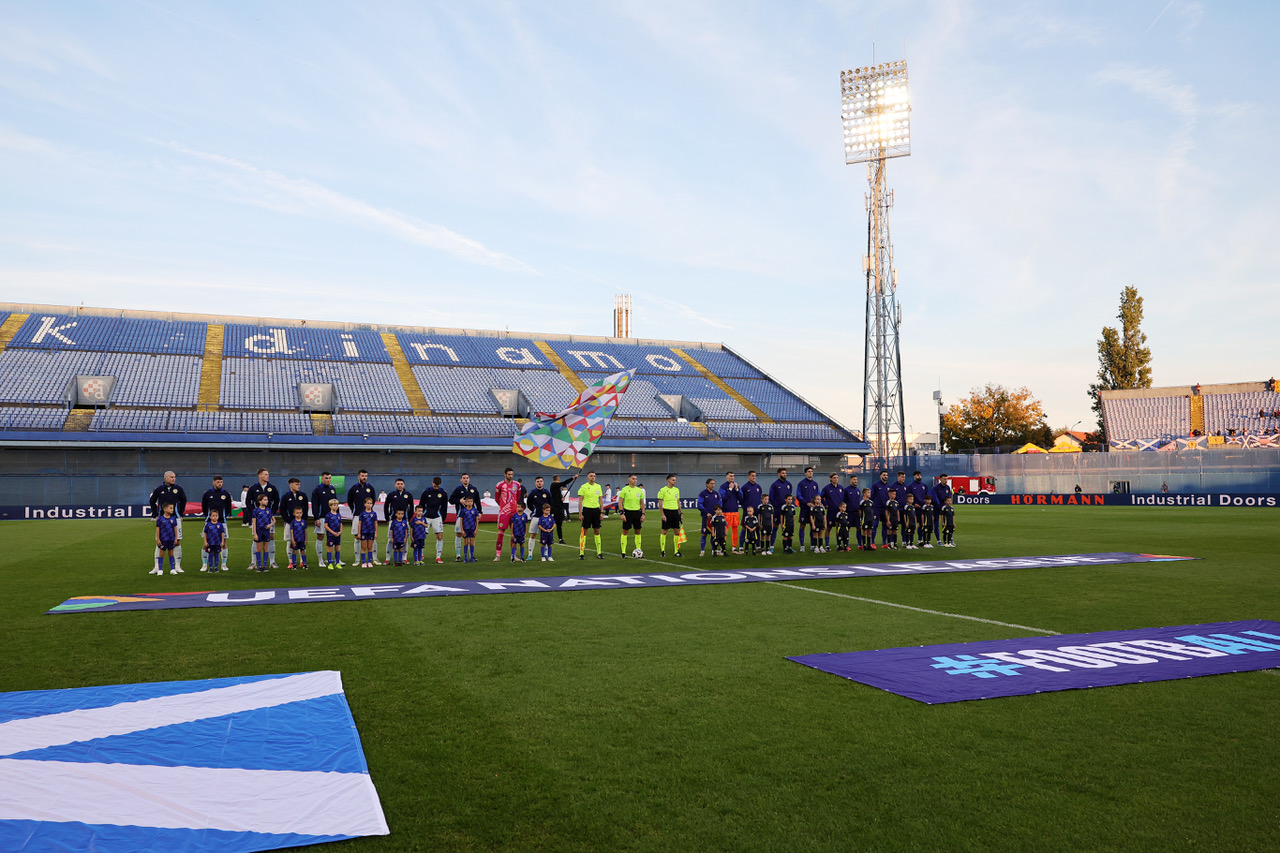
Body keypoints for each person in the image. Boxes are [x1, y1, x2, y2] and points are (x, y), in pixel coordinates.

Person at [149, 471, 187, 574]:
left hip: (176, 518)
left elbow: (184, 500)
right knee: (159, 543)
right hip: (163, 520)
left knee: (177, 541)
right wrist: (155, 514)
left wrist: (181, 514)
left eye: (174, 477)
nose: (173, 479)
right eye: (171, 477)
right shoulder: (159, 489)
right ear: (165, 478)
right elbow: (152, 501)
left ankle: (177, 566)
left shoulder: (178, 489)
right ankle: (156, 567)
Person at [245, 468, 280, 569]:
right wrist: (254, 513)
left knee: (271, 538)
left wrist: (271, 513)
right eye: (265, 474)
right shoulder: (253, 488)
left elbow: (276, 501)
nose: (267, 476)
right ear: (259, 475)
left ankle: (272, 561)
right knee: (256, 539)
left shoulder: (272, 488)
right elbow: (248, 502)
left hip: (268, 519)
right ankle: (253, 562)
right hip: (258, 520)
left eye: (268, 474)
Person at [200, 475, 233, 572]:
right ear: (213, 482)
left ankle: (223, 564)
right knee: (206, 543)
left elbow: (228, 507)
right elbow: (204, 506)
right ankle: (204, 564)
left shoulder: (225, 494)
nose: (220, 484)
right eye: (218, 482)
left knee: (224, 543)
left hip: (222, 522)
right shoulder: (208, 493)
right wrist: (208, 516)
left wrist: (224, 516)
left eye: (221, 482)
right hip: (209, 522)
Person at [492, 468, 524, 561]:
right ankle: (498, 555)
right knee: (500, 534)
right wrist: (503, 507)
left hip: (514, 513)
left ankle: (513, 555)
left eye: (512, 474)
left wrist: (514, 507)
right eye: (509, 474)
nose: (510, 476)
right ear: (505, 474)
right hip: (504, 513)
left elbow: (518, 497)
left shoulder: (517, 485)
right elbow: (496, 498)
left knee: (514, 534)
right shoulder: (499, 485)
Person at [347, 470, 377, 565]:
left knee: (372, 538)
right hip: (357, 516)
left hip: (369, 517)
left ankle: (374, 559)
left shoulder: (370, 488)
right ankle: (357, 560)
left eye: (366, 476)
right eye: (362, 475)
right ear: (358, 476)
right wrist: (355, 511)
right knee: (357, 537)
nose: (364, 477)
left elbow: (374, 500)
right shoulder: (353, 488)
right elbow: (349, 501)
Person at [449, 474, 481, 561]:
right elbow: (451, 500)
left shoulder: (473, 489)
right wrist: (459, 501)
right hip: (461, 515)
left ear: (469, 479)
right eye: (464, 478)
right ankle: (458, 555)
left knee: (472, 535)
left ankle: (471, 555)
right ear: (461, 480)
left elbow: (478, 501)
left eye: (467, 478)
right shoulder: (458, 489)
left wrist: (480, 512)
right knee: (459, 534)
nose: (466, 480)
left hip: (471, 517)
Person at [418, 476, 449, 564]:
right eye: (435, 486)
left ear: (440, 485)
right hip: (426, 517)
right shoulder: (426, 491)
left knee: (439, 536)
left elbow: (444, 507)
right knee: (422, 536)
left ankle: (438, 557)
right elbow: (421, 505)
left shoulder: (443, 493)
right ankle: (421, 554)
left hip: (437, 517)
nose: (436, 487)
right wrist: (420, 516)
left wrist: (443, 518)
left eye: (437, 486)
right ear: (432, 483)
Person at [311, 472, 340, 567]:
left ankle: (335, 560)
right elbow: (315, 505)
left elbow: (336, 504)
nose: (328, 480)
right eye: (326, 478)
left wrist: (337, 516)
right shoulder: (317, 490)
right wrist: (316, 518)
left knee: (334, 538)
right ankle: (320, 560)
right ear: (322, 479)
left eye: (330, 478)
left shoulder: (332, 489)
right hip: (322, 518)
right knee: (320, 537)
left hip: (333, 519)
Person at [384, 479, 415, 563]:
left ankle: (404, 558)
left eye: (401, 484)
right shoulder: (391, 495)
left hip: (404, 521)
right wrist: (387, 518)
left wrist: (409, 518)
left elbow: (411, 507)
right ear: (395, 485)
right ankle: (387, 558)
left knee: (405, 540)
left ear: (404, 485)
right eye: (398, 484)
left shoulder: (408, 495)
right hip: (393, 520)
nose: (399, 485)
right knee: (390, 539)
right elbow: (386, 506)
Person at [577, 471, 605, 560]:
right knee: (584, 531)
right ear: (587, 477)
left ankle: (599, 552)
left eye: (594, 476)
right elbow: (580, 501)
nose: (593, 477)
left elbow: (600, 500)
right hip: (587, 510)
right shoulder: (583, 487)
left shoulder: (598, 486)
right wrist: (580, 513)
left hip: (596, 510)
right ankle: (581, 553)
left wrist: (601, 512)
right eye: (591, 476)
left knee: (597, 531)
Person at [617, 474, 645, 557]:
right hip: (628, 513)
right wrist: (621, 513)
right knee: (625, 531)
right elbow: (620, 502)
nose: (635, 480)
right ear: (629, 480)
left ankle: (639, 551)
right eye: (633, 479)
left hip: (637, 513)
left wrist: (643, 514)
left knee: (638, 531)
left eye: (636, 479)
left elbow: (642, 503)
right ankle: (623, 552)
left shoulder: (639, 490)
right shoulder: (624, 490)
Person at [656, 474, 683, 558]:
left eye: (675, 480)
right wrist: (663, 514)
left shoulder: (676, 490)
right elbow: (660, 504)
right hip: (667, 511)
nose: (674, 481)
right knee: (664, 531)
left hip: (675, 512)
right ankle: (663, 551)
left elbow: (678, 501)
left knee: (677, 532)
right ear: (668, 480)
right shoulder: (663, 490)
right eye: (673, 480)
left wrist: (681, 513)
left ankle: (676, 551)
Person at [152, 502, 181, 575]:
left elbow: (175, 529)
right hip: (163, 539)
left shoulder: (173, 518)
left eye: (173, 508)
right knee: (161, 553)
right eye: (170, 508)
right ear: (165, 509)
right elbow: (158, 530)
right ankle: (160, 569)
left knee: (171, 553)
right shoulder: (160, 519)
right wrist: (158, 539)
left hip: (171, 539)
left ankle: (172, 569)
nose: (172, 510)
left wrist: (175, 538)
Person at [795, 467, 820, 551]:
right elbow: (798, 496)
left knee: (813, 526)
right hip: (805, 509)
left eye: (811, 471)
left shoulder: (815, 484)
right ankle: (802, 545)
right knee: (802, 525)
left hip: (813, 509)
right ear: (805, 473)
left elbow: (818, 495)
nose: (810, 473)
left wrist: (816, 503)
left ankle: (813, 545)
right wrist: (807, 503)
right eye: (809, 471)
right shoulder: (801, 484)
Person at [549, 474, 579, 544]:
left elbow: (557, 497)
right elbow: (564, 483)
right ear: (557, 479)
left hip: (560, 507)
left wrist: (561, 499)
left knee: (559, 524)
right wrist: (573, 478)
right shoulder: (553, 485)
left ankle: (560, 539)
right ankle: (550, 538)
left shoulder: (557, 488)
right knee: (552, 524)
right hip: (554, 508)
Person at [768, 468, 792, 552]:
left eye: (785, 473)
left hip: (787, 510)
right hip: (778, 509)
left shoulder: (789, 484)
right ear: (778, 474)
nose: (784, 474)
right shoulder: (774, 485)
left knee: (788, 527)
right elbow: (771, 496)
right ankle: (771, 546)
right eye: (783, 473)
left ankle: (788, 547)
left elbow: (790, 496)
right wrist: (776, 505)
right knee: (775, 527)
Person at [696, 478, 721, 557]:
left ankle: (714, 550)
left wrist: (717, 513)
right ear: (707, 484)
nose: (713, 485)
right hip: (706, 518)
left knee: (713, 535)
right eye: (711, 483)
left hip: (715, 518)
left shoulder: (716, 494)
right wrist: (706, 513)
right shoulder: (703, 494)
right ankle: (702, 551)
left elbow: (720, 504)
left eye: (714, 483)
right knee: (704, 534)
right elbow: (699, 504)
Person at [719, 471, 742, 554]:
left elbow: (741, 497)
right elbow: (724, 497)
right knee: (725, 531)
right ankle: (722, 547)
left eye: (733, 476)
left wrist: (736, 489)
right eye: (731, 476)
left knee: (735, 530)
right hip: (726, 511)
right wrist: (730, 489)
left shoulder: (736, 486)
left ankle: (734, 548)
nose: (732, 477)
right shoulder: (723, 486)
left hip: (735, 511)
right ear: (727, 477)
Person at [821, 474, 845, 551]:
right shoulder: (827, 488)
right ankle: (827, 545)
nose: (836, 479)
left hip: (839, 512)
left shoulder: (841, 488)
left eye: (837, 478)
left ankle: (838, 545)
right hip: (831, 511)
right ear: (830, 479)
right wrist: (825, 504)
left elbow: (843, 499)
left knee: (838, 528)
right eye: (834, 478)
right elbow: (820, 497)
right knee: (828, 528)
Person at [251, 494, 274, 572]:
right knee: (258, 548)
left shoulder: (268, 510)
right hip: (259, 530)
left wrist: (270, 525)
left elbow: (274, 520)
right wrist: (255, 534)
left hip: (266, 531)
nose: (266, 501)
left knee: (265, 548)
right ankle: (259, 566)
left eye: (267, 500)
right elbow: (254, 522)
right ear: (260, 501)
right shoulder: (256, 511)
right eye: (264, 500)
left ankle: (264, 565)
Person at [870, 470, 892, 547]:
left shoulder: (889, 486)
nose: (885, 476)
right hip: (876, 508)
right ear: (880, 476)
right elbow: (871, 496)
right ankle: (872, 542)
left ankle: (884, 543)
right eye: (884, 475)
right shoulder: (875, 485)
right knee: (875, 524)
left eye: (886, 475)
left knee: (885, 525)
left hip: (885, 508)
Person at [931, 474, 953, 542]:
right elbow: (935, 498)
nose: (945, 480)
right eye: (944, 479)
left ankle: (950, 539)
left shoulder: (948, 487)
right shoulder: (935, 488)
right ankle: (938, 540)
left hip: (945, 508)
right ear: (940, 479)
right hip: (936, 508)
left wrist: (946, 505)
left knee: (949, 524)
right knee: (936, 524)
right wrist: (940, 506)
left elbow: (948, 497)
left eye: (946, 479)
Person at [841, 476, 862, 548]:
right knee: (848, 528)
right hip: (849, 512)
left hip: (856, 513)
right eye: (854, 479)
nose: (856, 481)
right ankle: (847, 544)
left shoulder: (858, 490)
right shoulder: (846, 490)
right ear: (850, 481)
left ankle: (860, 544)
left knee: (859, 527)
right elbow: (843, 501)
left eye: (856, 479)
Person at [357, 497, 378, 568]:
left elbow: (375, 523)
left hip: (371, 532)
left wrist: (376, 533)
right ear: (365, 504)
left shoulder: (374, 514)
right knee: (363, 547)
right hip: (364, 532)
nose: (369, 505)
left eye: (370, 503)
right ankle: (363, 562)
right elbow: (360, 524)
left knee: (370, 547)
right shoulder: (362, 514)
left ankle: (369, 562)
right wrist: (359, 533)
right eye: (368, 503)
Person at [202, 509, 225, 573]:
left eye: (216, 516)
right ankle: (211, 568)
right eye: (213, 516)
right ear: (210, 517)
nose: (215, 517)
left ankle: (216, 567)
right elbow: (205, 533)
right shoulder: (208, 525)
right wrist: (205, 542)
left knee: (217, 555)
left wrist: (222, 541)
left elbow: (222, 533)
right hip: (210, 543)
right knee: (210, 555)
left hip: (217, 542)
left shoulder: (220, 525)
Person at [459, 497, 480, 563]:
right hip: (465, 528)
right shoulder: (463, 510)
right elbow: (461, 520)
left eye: (471, 501)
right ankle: (465, 558)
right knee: (465, 542)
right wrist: (462, 530)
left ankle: (471, 557)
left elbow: (477, 520)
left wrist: (476, 529)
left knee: (471, 543)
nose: (470, 503)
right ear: (466, 502)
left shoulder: (475, 510)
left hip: (472, 528)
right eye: (468, 501)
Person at [324, 499, 344, 570]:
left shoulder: (338, 515)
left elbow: (341, 524)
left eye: (337, 505)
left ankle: (337, 563)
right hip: (331, 535)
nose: (336, 506)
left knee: (337, 549)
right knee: (330, 549)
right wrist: (332, 532)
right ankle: (330, 564)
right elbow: (326, 525)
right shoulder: (328, 515)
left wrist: (340, 532)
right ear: (330, 506)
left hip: (338, 535)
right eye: (334, 505)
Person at [287, 506, 309, 570]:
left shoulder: (303, 522)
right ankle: (294, 565)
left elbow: (305, 531)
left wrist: (306, 539)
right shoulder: (293, 522)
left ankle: (304, 564)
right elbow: (291, 532)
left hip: (302, 539)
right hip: (296, 540)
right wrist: (293, 540)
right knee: (294, 551)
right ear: (294, 514)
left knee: (302, 551)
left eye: (300, 513)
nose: (299, 514)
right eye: (297, 513)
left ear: (302, 513)